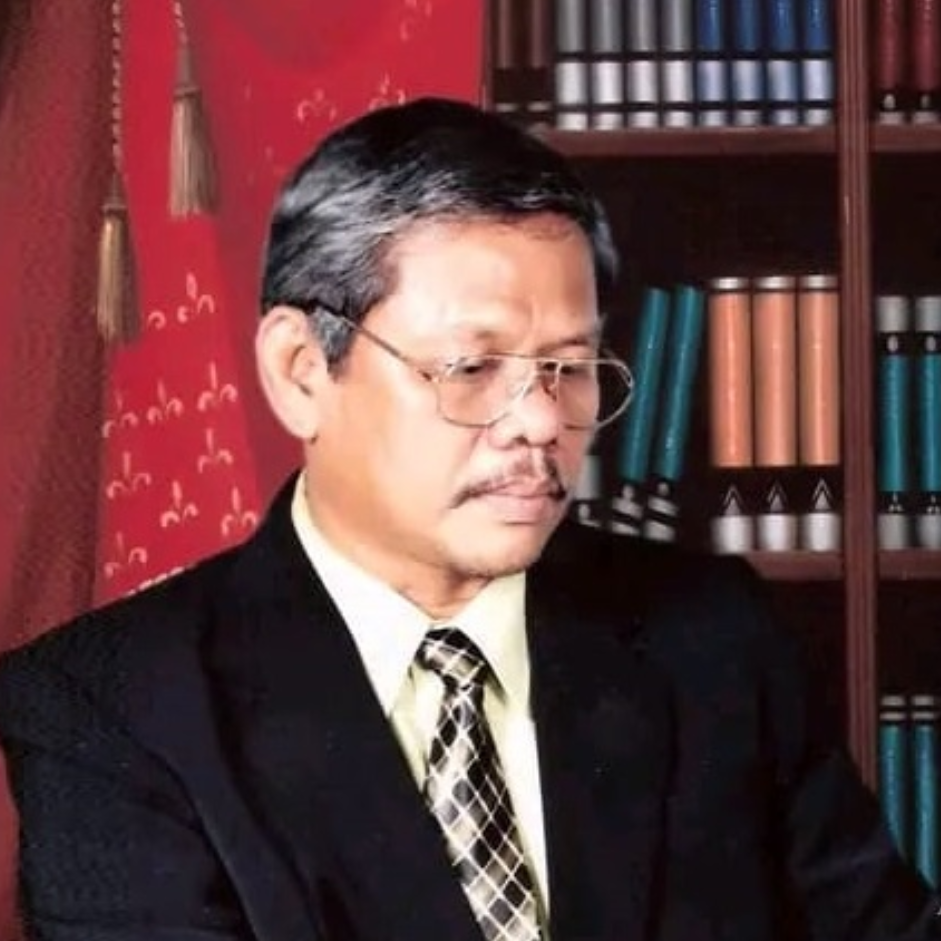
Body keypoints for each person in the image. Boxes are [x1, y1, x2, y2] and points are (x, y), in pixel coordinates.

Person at [0, 97, 937, 941]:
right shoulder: (106, 709)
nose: (540, 423)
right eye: (472, 368)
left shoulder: (713, 636)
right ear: (300, 371)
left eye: (569, 368)